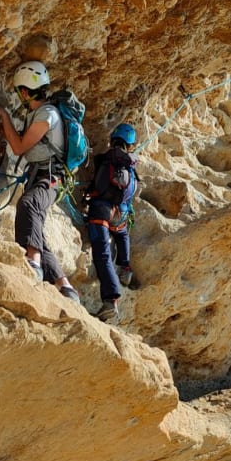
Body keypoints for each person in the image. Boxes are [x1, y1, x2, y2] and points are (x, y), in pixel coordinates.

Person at [0, 60, 80, 301]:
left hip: (51, 176)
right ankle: (65, 287)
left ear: (24, 91)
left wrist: (3, 114)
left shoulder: (47, 114)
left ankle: (33, 263)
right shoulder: (40, 114)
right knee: (37, 231)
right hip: (41, 174)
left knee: (28, 205)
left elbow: (19, 146)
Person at [86, 123, 138, 321]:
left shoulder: (105, 159)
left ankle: (110, 301)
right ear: (130, 145)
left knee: (102, 253)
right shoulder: (131, 164)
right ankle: (125, 268)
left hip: (101, 209)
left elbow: (97, 185)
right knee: (122, 233)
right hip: (121, 214)